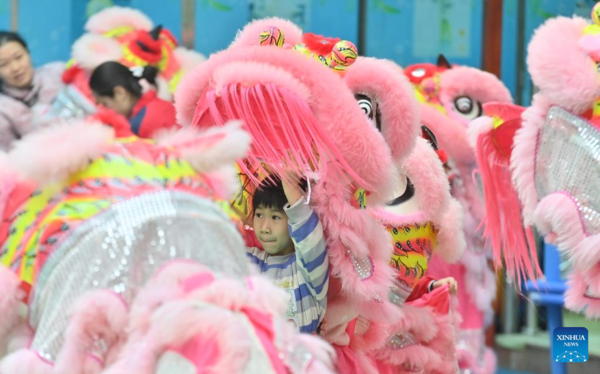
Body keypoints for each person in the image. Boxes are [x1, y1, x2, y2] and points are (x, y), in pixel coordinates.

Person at [246, 175, 329, 334]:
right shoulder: (252, 262)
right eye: (259, 215)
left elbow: (309, 237)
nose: (264, 227)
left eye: (275, 217)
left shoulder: (308, 269)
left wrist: (290, 187)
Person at [0, 31, 64, 151]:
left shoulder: (58, 73)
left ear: (28, 53)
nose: (15, 68)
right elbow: (9, 159)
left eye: (19, 57)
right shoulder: (3, 109)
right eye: (3, 65)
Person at [89, 61, 177, 139]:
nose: (105, 110)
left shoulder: (139, 125)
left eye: (105, 104)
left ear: (120, 92)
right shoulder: (157, 106)